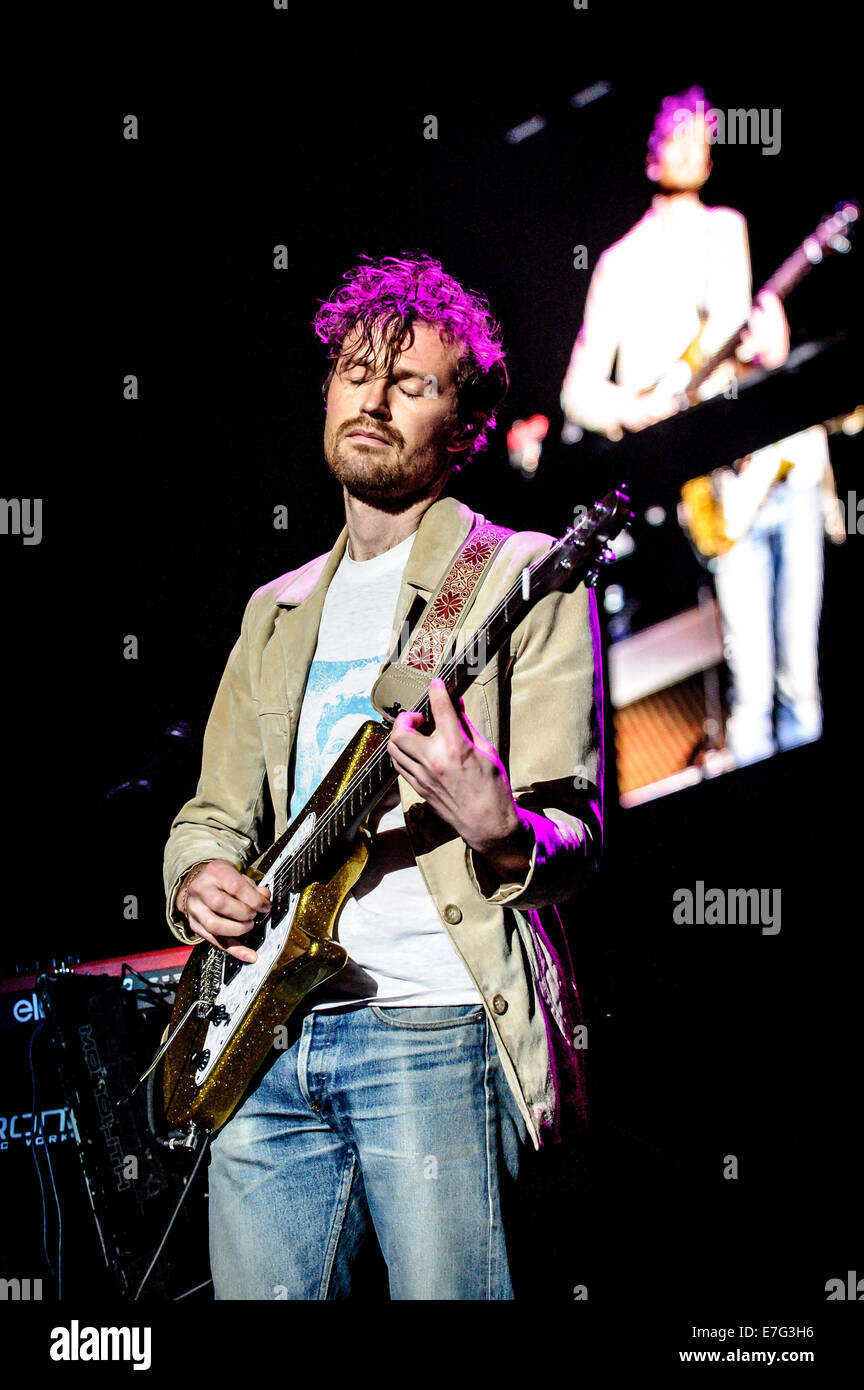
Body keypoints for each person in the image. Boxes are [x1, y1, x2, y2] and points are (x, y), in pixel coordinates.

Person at [163, 254, 604, 1300]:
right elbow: (212, 815)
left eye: (412, 383)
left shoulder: (518, 575)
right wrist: (198, 881)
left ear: (467, 424)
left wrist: (500, 828)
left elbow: (571, 833)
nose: (373, 397)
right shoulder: (272, 609)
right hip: (263, 1039)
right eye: (357, 372)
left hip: (433, 1020)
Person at [561, 85, 832, 767]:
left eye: (703, 132)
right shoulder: (622, 263)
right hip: (716, 492)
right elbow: (578, 389)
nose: (693, 142)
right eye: (677, 131)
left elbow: (752, 351)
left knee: (803, 674)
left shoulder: (729, 229)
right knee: (750, 685)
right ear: (651, 154)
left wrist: (772, 345)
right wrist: (637, 411)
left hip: (781, 463)